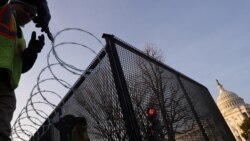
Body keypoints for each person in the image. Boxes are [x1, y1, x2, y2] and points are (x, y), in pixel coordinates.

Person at [0, 0, 51, 140]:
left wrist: (31, 54)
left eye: (32, 14)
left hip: (6, 87)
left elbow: (20, 68)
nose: (28, 15)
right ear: (13, 3)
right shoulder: (3, 10)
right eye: (25, 9)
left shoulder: (20, 37)